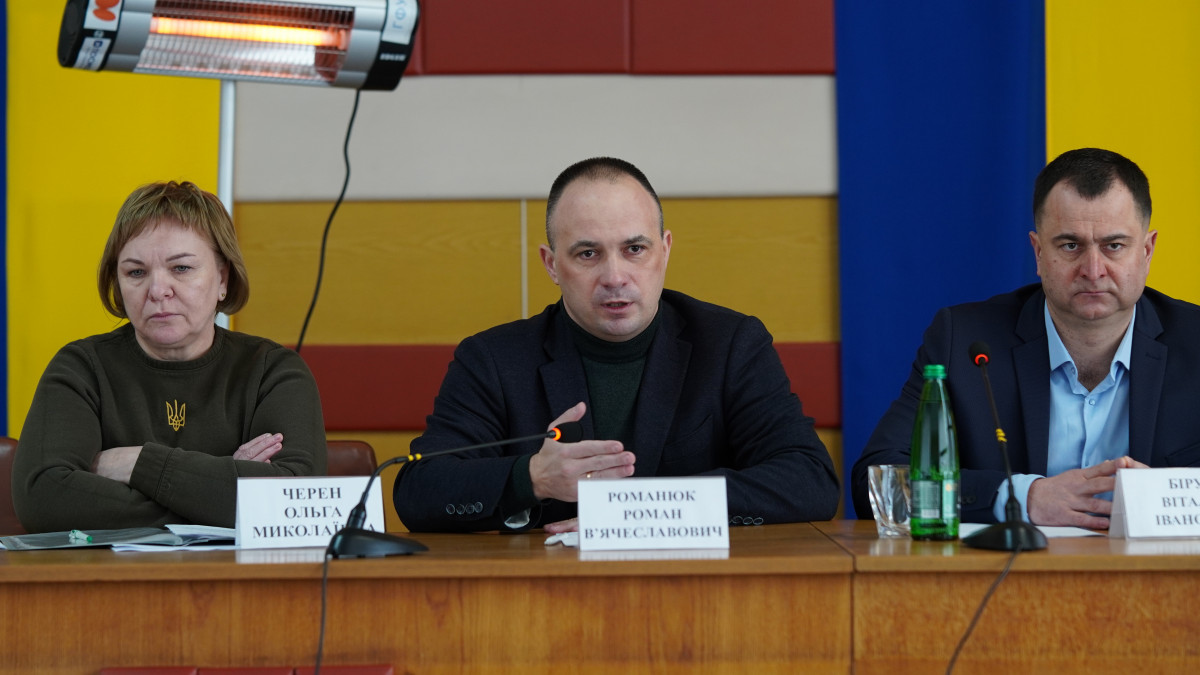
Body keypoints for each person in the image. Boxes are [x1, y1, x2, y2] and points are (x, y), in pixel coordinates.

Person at [394, 157, 839, 532]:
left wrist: (643, 510)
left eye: (634, 249)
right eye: (588, 254)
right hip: (547, 593)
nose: (614, 276)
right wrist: (532, 478)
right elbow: (419, 490)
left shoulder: (730, 345)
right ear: (551, 265)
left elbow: (809, 481)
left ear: (665, 250)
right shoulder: (494, 359)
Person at [853, 147, 1200, 529]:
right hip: (1012, 566)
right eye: (1070, 246)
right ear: (1038, 252)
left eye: (1113, 246)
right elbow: (878, 484)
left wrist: (1169, 496)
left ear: (1147, 251)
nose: (1093, 269)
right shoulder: (964, 341)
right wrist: (1020, 497)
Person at [12, 181, 326, 532]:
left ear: (223, 279)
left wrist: (138, 464)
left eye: (181, 268)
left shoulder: (273, 372)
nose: (158, 291)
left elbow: (294, 502)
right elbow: (43, 497)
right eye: (136, 272)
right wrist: (217, 496)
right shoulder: (81, 368)